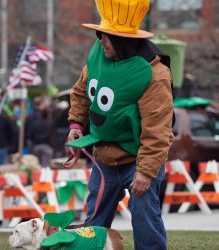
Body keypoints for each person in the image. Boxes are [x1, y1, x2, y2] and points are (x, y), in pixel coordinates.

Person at [66, 0, 174, 249]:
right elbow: (82, 91)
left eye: (108, 36)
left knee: (145, 219)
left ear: (125, 40)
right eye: (100, 33)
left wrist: (146, 171)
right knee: (93, 225)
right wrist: (75, 125)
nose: (101, 40)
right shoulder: (98, 56)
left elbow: (158, 129)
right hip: (104, 158)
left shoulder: (154, 75)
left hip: (139, 159)